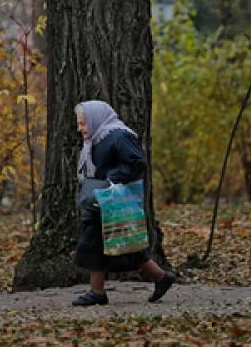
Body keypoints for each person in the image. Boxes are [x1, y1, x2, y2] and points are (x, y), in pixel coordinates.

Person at [72, 100, 175, 306]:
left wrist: (111, 179)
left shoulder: (119, 136)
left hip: (113, 199)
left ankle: (97, 292)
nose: (80, 128)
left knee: (95, 242)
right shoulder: (96, 139)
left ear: (95, 119)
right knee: (125, 243)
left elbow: (137, 162)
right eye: (80, 123)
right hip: (102, 201)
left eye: (83, 123)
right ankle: (162, 277)